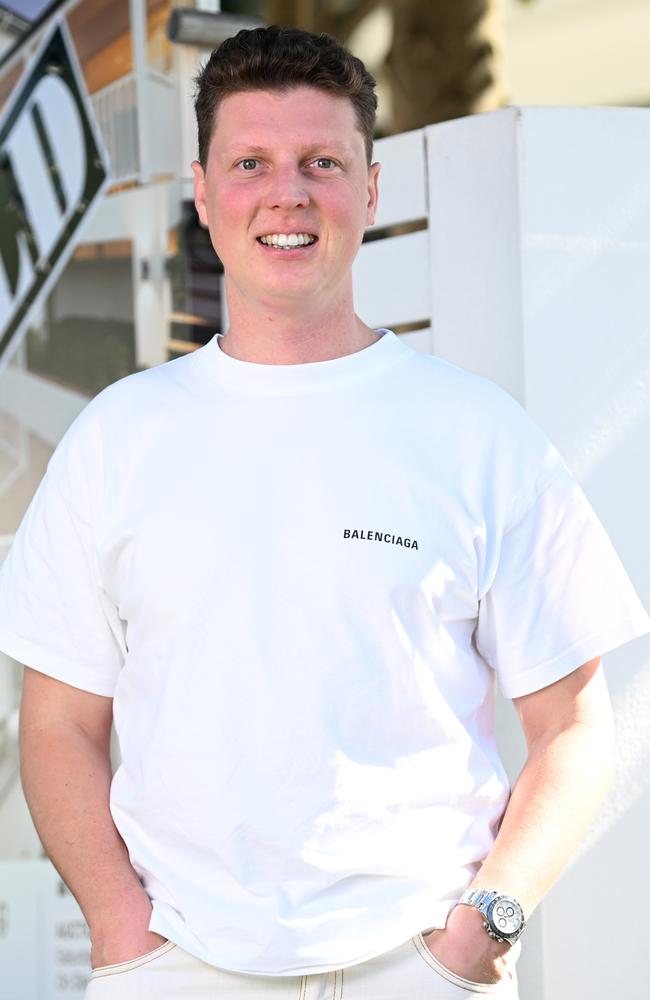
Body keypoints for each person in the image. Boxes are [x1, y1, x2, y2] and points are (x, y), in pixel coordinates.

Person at [0, 24, 648, 1000]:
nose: (287, 193)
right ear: (204, 193)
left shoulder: (477, 434)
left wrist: (483, 930)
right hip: (178, 965)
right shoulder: (117, 441)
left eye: (321, 162)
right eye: (251, 162)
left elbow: (575, 730)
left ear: (370, 189)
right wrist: (123, 937)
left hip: (417, 966)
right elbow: (56, 725)